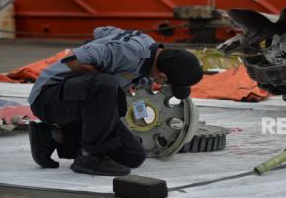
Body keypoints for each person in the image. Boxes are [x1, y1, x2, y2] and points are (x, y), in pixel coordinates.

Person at [28, 26, 203, 176]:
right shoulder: (126, 52)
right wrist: (100, 74)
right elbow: (71, 59)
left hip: (83, 103)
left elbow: (100, 31)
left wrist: (139, 118)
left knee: (133, 157)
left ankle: (51, 136)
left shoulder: (150, 52)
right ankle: (90, 157)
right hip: (48, 98)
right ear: (162, 76)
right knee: (106, 84)